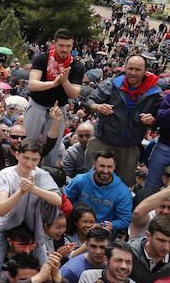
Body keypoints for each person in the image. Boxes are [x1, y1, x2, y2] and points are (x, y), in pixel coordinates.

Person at [0, 139, 62, 276]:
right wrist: (21, 192)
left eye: (34, 160)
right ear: (17, 155)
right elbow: (1, 209)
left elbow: (57, 200)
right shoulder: (6, 174)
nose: (29, 163)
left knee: (46, 273)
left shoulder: (41, 175)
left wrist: (34, 189)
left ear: (40, 159)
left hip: (30, 229)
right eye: (26, 158)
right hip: (2, 227)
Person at [86, 55, 162, 186]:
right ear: (125, 68)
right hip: (103, 141)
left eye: (138, 69)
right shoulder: (110, 84)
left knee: (123, 185)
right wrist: (98, 106)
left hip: (129, 147)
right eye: (130, 68)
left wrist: (153, 120)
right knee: (90, 180)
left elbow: (160, 118)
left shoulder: (155, 93)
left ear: (145, 71)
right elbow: (88, 101)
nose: (133, 72)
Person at [26, 29, 85, 166]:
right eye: (61, 46)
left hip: (59, 110)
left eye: (68, 46)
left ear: (72, 45)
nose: (65, 49)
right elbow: (32, 84)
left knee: (52, 149)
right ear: (54, 44)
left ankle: (47, 175)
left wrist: (64, 81)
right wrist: (53, 83)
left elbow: (74, 93)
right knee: (28, 143)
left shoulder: (76, 65)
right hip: (37, 105)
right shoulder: (42, 58)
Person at [64, 151, 133, 234]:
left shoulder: (123, 191)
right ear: (94, 164)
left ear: (114, 167)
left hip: (101, 233)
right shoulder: (80, 180)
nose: (105, 170)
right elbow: (65, 200)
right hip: (74, 227)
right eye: (102, 166)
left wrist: (101, 226)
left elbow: (125, 220)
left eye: (109, 167)